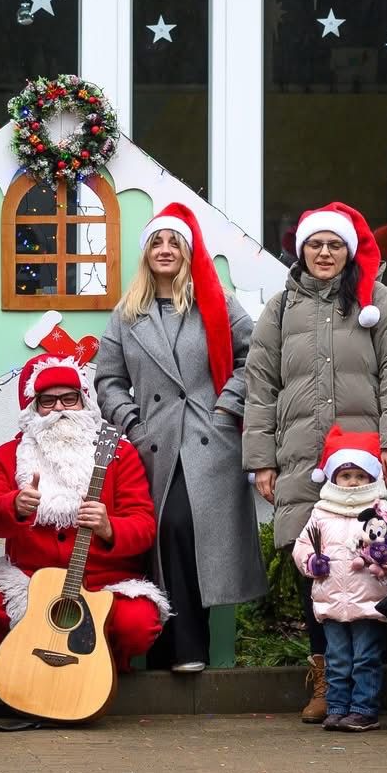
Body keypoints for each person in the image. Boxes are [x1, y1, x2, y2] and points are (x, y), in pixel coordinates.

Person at [244, 201, 387, 722]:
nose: (324, 253)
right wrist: (261, 460)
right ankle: (326, 677)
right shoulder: (279, 308)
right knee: (315, 565)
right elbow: (260, 385)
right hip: (301, 459)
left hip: (366, 462)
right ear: (301, 250)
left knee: (375, 563)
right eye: (315, 244)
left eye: (334, 244)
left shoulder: (376, 301)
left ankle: (369, 681)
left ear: (349, 250)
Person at [97, 204, 261, 673]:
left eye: (174, 243)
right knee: (160, 532)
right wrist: (132, 421)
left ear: (188, 253)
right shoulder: (128, 314)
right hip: (155, 443)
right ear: (146, 253)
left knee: (187, 528)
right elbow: (107, 378)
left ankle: (188, 648)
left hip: (211, 440)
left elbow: (255, 358)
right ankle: (169, 650)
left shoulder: (217, 302)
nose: (165, 250)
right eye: (157, 243)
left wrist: (227, 406)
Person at [0, 353, 167, 669]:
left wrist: (110, 527)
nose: (59, 410)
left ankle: (95, 675)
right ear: (33, 408)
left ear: (85, 403)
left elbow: (144, 524)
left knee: (137, 624)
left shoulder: (119, 453)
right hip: (30, 581)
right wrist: (13, 504)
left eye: (69, 399)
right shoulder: (9, 455)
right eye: (48, 402)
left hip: (101, 585)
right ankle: (24, 668)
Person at [291, 427, 387, 732]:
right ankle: (337, 707)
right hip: (331, 601)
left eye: (361, 476)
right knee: (337, 659)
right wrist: (311, 562)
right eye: (346, 476)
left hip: (369, 601)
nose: (353, 482)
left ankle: (363, 708)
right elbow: (302, 546)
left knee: (365, 658)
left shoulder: (382, 512)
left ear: (373, 478)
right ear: (333, 479)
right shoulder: (321, 513)